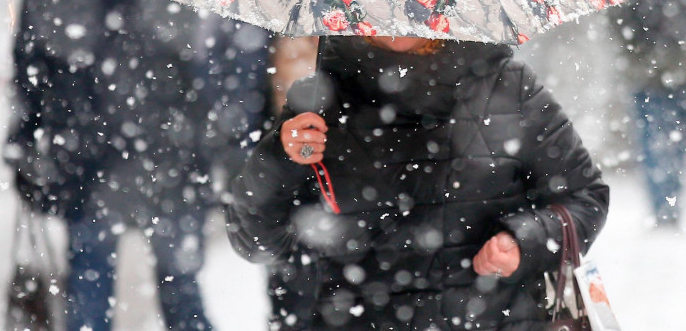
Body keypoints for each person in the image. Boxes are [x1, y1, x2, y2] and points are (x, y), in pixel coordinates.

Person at [7, 0, 270, 331]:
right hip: (171, 150)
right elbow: (236, 63)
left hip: (91, 144)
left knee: (90, 287)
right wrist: (235, 145)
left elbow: (34, 55)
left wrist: (32, 133)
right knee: (179, 292)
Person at [225, 35, 609, 330]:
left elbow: (583, 196)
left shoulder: (508, 87)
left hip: (497, 319)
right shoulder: (321, 103)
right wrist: (280, 157)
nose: (394, 14)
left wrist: (524, 241)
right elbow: (256, 242)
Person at [616, 0, 686, 227]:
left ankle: (664, 207)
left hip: (647, 74)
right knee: (673, 141)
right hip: (677, 70)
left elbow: (621, 23)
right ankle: (669, 202)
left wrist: (635, 52)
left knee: (653, 144)